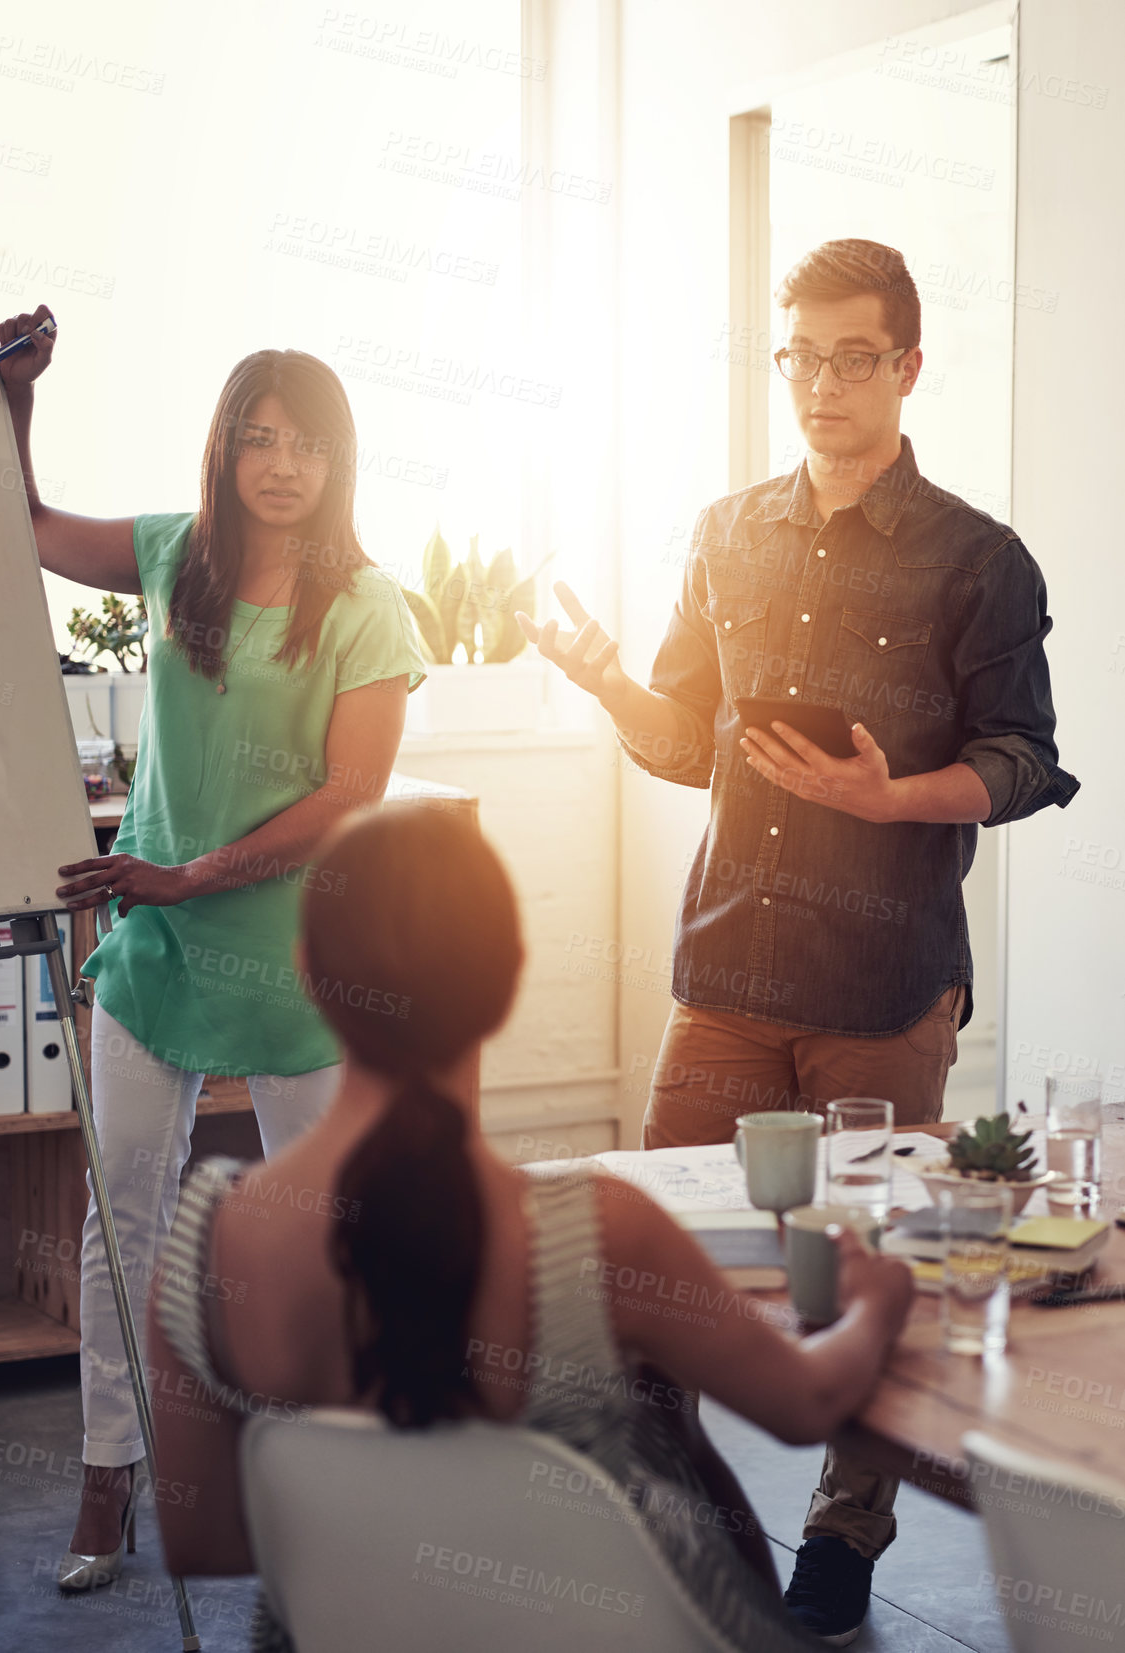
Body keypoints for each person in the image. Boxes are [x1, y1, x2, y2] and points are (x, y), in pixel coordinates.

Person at [520, 238, 1079, 1642]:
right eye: (799, 357)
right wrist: (598, 681)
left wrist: (894, 796)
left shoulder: (979, 561)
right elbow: (680, 741)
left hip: (880, 984)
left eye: (851, 357)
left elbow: (1025, 758)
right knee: (641, 1274)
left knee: (863, 1282)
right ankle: (681, 1528)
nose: (821, 385)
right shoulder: (723, 534)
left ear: (905, 366)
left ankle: (841, 1543)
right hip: (723, 974)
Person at [145, 804, 914, 1652]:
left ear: (306, 973)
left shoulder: (209, 1236)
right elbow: (805, 1404)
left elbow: (201, 1539)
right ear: (507, 982)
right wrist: (874, 1302)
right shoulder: (595, 1230)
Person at [0, 306, 426, 1591]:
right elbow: (25, 531)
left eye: (308, 444)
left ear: (339, 461)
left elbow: (351, 795)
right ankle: (108, 1475)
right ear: (226, 451)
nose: (283, 465)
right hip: (160, 950)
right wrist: (19, 396)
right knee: (117, 1216)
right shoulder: (175, 555)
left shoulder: (367, 603)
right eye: (259, 439)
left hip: (296, 957)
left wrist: (188, 873)